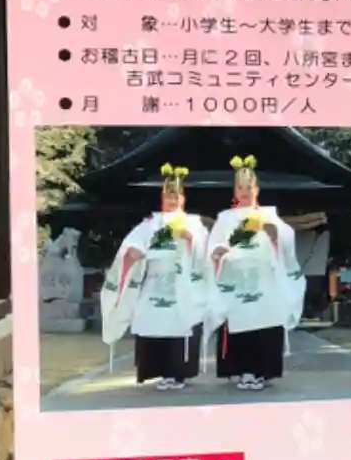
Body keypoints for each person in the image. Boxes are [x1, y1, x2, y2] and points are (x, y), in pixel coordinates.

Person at [99, 162, 208, 391]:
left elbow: (203, 252)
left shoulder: (193, 223)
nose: (172, 200)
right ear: (162, 198)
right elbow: (133, 244)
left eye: (176, 196)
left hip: (181, 281)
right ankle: (159, 370)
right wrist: (133, 254)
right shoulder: (150, 224)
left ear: (183, 198)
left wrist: (190, 239)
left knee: (179, 323)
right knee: (150, 319)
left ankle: (177, 373)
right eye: (168, 196)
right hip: (155, 280)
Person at [209, 155, 306, 392]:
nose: (245, 192)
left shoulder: (268, 214)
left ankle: (264, 370)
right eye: (240, 187)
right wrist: (218, 252)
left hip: (265, 280)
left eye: (249, 187)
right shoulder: (225, 218)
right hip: (237, 279)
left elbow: (286, 238)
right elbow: (215, 244)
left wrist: (273, 233)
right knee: (241, 323)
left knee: (266, 323)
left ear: (257, 189)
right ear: (235, 190)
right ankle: (244, 370)